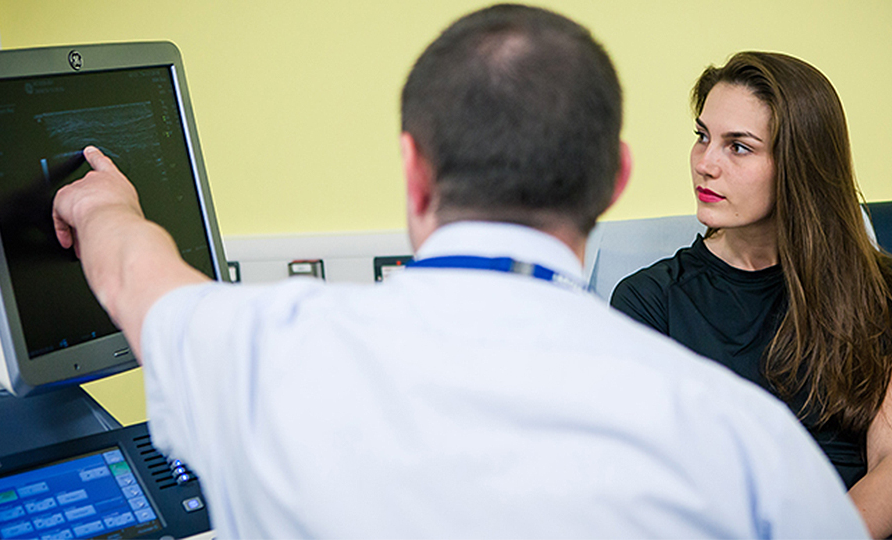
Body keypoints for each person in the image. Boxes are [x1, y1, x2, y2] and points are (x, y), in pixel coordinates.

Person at [52, 6, 866, 538]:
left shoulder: (264, 351)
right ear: (614, 178)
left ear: (412, 170)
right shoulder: (740, 439)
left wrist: (102, 207)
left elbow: (134, 273)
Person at [611, 51, 892, 537]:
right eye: (702, 137)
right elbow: (653, 487)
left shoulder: (878, 290)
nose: (705, 164)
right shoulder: (649, 302)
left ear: (798, 164)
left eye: (738, 147)